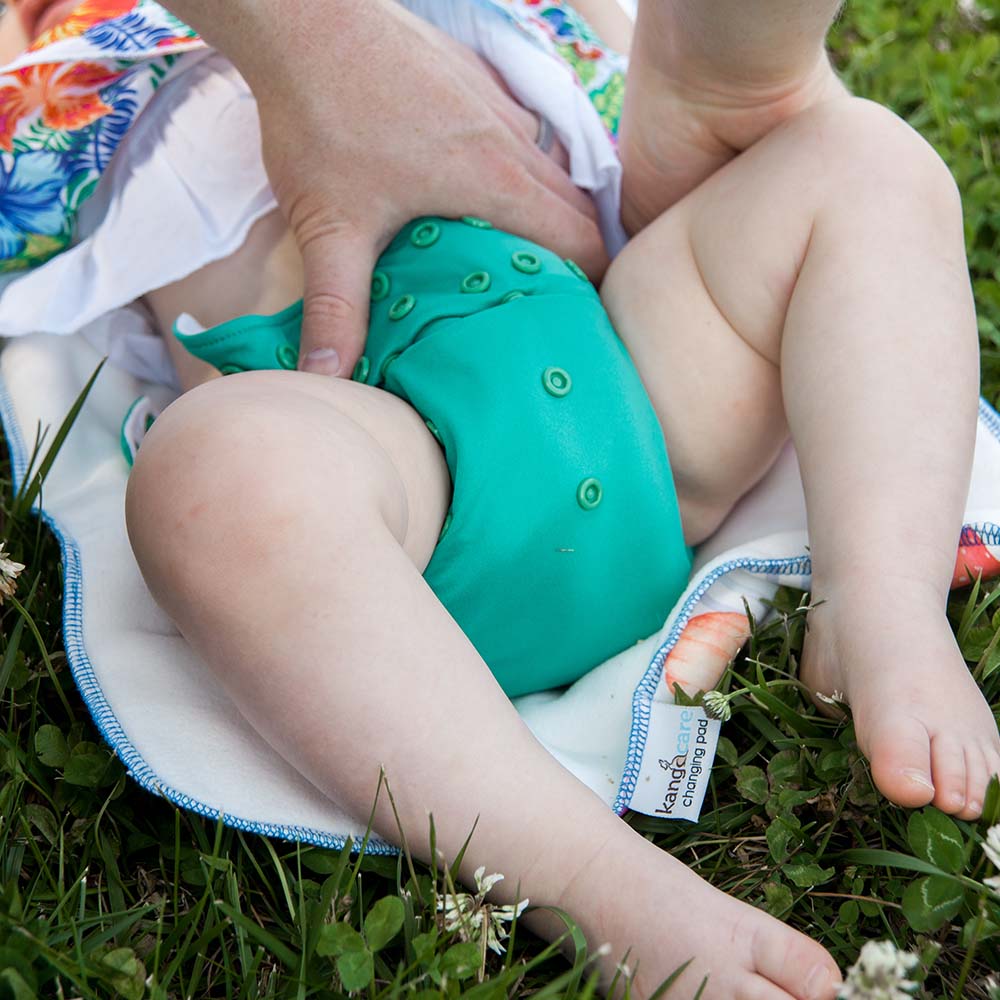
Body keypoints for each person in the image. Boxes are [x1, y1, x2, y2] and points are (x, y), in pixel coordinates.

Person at [3, 1, 996, 998]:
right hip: (396, 466)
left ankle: (882, 600)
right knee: (220, 478)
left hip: (634, 363)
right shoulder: (63, 74)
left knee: (868, 159)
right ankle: (584, 874)